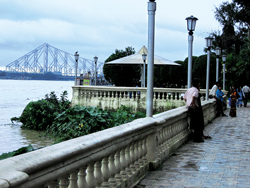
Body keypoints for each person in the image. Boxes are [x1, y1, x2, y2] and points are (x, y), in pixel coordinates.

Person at [184, 78, 211, 143]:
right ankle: (197, 138)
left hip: (189, 108)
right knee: (197, 124)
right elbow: (194, 96)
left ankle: (197, 137)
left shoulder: (189, 89)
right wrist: (193, 103)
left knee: (193, 123)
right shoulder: (196, 90)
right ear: (198, 84)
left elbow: (184, 98)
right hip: (194, 108)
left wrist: (188, 103)